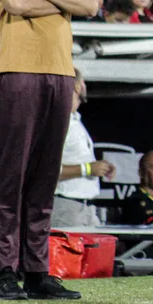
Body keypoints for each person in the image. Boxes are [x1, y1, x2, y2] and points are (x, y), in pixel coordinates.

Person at [0, 0, 99, 301]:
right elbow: (14, 0)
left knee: (44, 176)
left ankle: (36, 269)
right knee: (11, 174)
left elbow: (90, 3)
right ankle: (4, 270)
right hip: (18, 68)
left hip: (60, 71)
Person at [50, 67, 117, 228]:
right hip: (66, 208)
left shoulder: (74, 120)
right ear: (77, 86)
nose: (85, 87)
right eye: (84, 82)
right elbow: (45, 170)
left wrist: (101, 168)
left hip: (85, 208)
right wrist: (87, 169)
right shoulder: (57, 122)